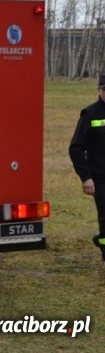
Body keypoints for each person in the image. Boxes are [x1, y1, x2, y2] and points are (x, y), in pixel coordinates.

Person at [69, 73, 105, 261]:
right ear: (99, 90)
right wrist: (86, 178)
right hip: (100, 178)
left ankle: (100, 239)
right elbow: (75, 149)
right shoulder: (90, 114)